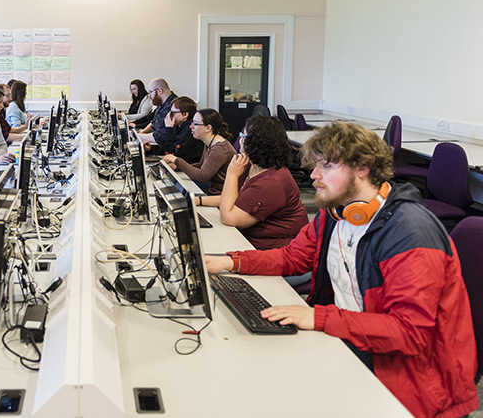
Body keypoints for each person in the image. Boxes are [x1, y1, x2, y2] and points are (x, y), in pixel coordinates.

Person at [205, 122, 478, 418]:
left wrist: (318, 317)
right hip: (357, 344)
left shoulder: (410, 233)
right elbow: (293, 257)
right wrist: (232, 261)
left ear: (362, 168)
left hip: (411, 381)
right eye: (314, 166)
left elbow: (409, 333)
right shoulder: (338, 212)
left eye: (326, 166)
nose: (313, 176)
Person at [200, 115, 307, 250]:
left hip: (271, 251)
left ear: (254, 143)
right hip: (249, 241)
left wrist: (231, 174)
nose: (240, 140)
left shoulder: (271, 182)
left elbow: (229, 218)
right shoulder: (251, 165)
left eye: (242, 135)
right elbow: (234, 199)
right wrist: (197, 201)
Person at [162, 108, 235, 195]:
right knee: (175, 181)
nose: (191, 126)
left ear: (208, 128)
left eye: (195, 124)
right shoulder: (210, 142)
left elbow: (202, 176)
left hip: (217, 193)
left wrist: (177, 160)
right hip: (210, 187)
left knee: (178, 187)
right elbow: (201, 165)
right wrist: (176, 166)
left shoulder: (220, 149)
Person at [145, 96, 203, 164]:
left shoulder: (190, 129)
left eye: (172, 113)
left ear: (185, 115)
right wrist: (151, 149)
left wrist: (169, 128)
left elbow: (172, 153)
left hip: (188, 167)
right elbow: (168, 145)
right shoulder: (178, 125)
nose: (169, 116)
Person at [137, 77, 176, 144]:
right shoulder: (161, 102)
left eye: (150, 92)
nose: (149, 95)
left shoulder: (173, 107)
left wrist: (138, 136)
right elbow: (154, 123)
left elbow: (160, 137)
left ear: (159, 91)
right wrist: (140, 133)